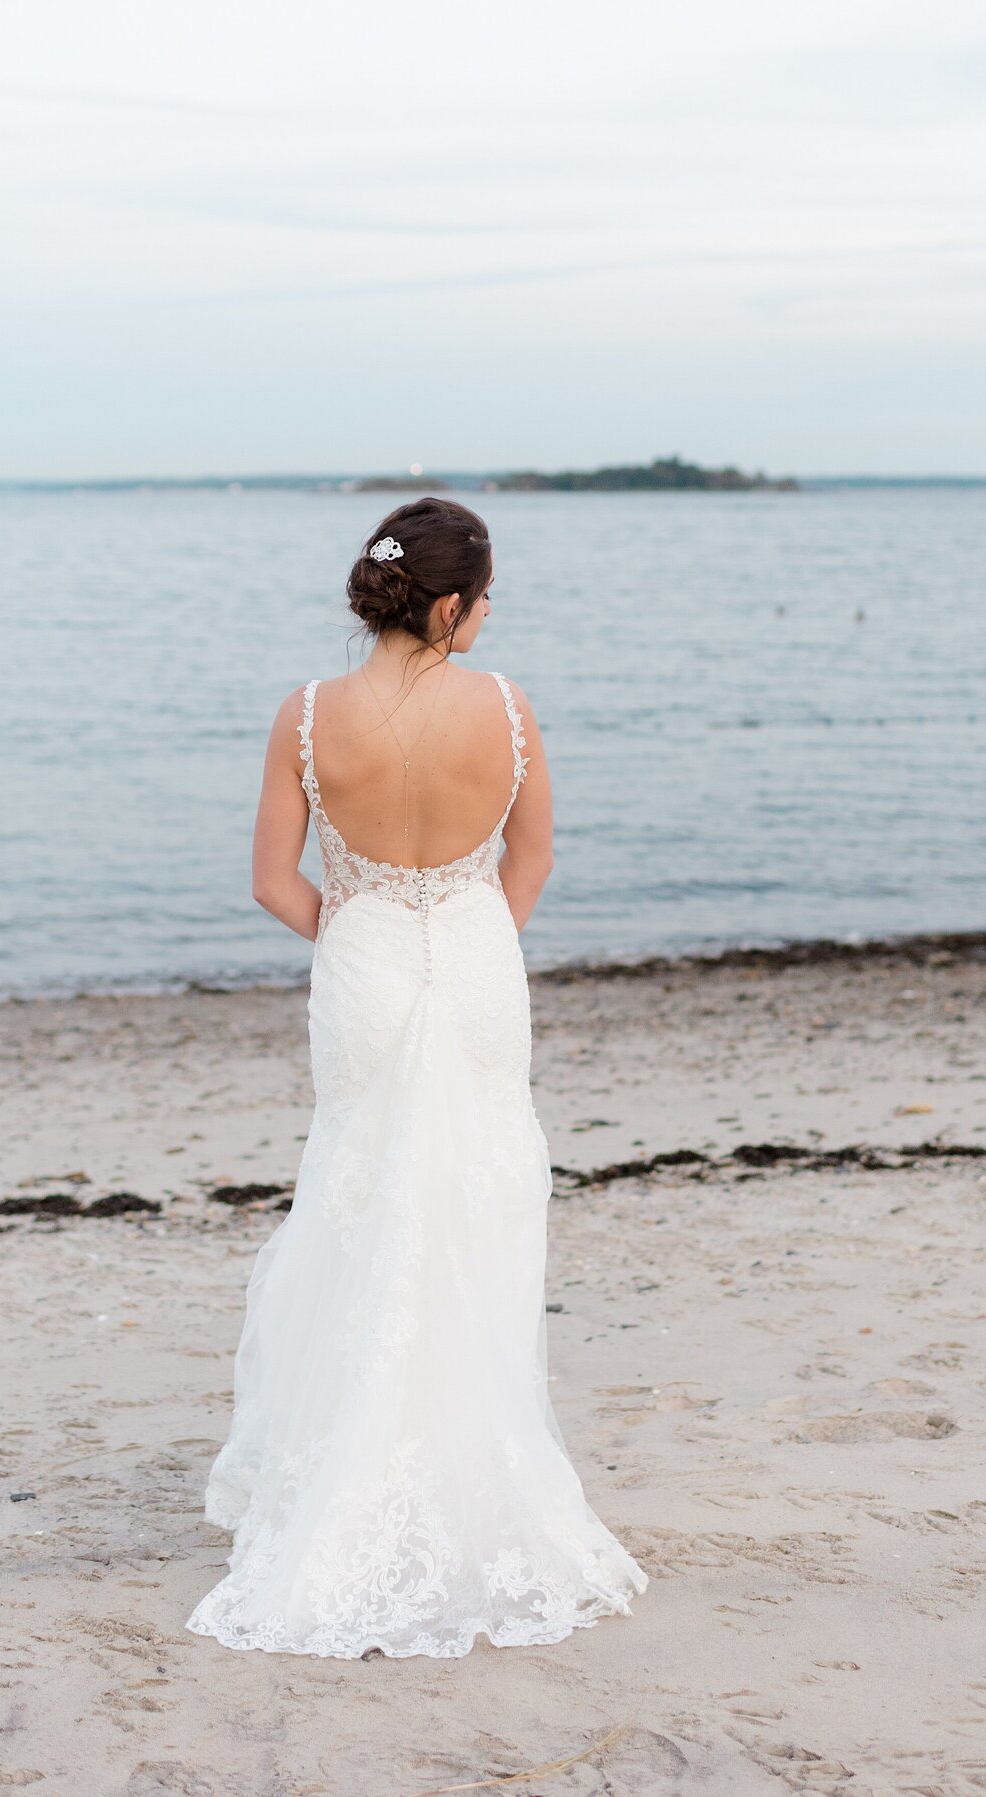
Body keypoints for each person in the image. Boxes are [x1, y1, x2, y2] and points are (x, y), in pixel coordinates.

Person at [185, 497, 648, 1658]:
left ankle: (340, 1465)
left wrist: (360, 932)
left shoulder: (305, 716)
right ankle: (470, 1466)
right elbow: (533, 852)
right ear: (447, 605)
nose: (490, 613)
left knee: (356, 1197)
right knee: (481, 1201)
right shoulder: (507, 707)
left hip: (366, 970)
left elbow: (272, 882)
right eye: (485, 595)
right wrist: (476, 933)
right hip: (480, 961)